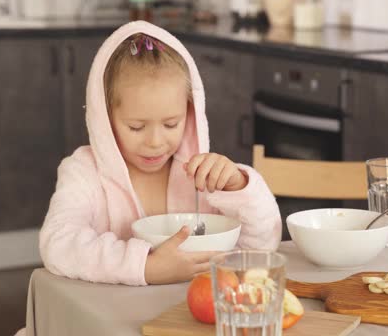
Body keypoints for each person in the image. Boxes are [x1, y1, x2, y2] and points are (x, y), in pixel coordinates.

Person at [39, 21, 282, 286]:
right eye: (136, 127)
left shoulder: (207, 176)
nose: (155, 142)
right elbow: (58, 243)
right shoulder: (83, 172)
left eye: (171, 124)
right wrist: (145, 267)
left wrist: (239, 186)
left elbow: (262, 246)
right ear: (105, 119)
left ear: (189, 114)